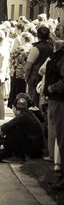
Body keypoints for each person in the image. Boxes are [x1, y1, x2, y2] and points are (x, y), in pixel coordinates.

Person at [0, 95, 45, 163]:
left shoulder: (23, 116)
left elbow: (3, 128)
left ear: (15, 108)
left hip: (34, 150)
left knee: (10, 131)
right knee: (13, 129)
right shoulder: (27, 113)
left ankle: (18, 156)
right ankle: (17, 154)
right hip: (38, 149)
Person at [43, 40, 64, 189]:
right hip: (57, 99)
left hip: (59, 99)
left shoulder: (61, 58)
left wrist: (51, 88)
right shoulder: (59, 56)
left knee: (61, 137)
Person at [24, 26, 54, 107]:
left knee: (33, 103)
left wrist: (26, 77)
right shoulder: (51, 47)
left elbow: (28, 66)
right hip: (46, 79)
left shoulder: (36, 48)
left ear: (38, 35)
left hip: (35, 79)